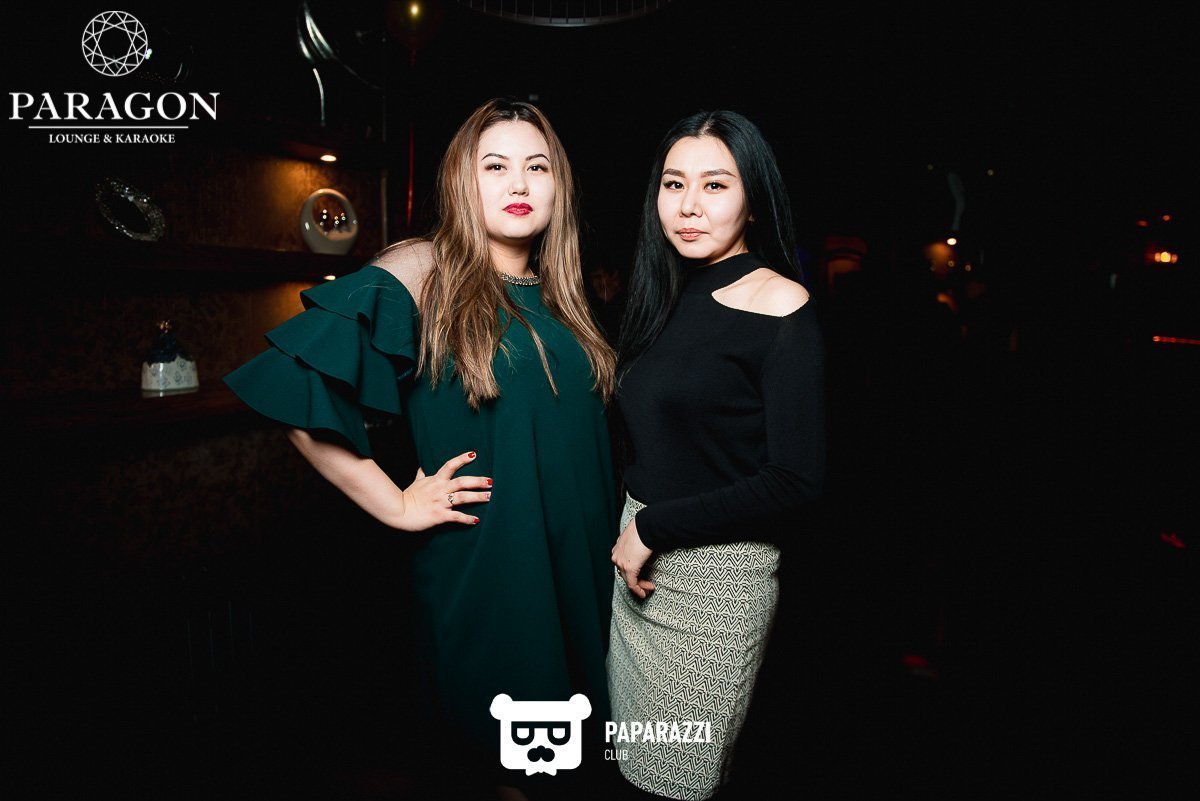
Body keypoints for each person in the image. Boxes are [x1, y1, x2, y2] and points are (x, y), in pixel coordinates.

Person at [225, 98, 618, 796]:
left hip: (586, 577)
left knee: (584, 771)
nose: (518, 183)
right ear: (462, 182)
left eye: (537, 167)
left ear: (559, 185)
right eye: (494, 166)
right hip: (495, 577)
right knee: (523, 773)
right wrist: (396, 503)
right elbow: (297, 381)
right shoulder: (425, 270)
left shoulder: (565, 294)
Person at [608, 110, 825, 800]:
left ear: (753, 201)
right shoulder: (664, 295)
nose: (689, 205)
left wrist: (651, 527)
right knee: (633, 769)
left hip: (717, 579)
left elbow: (795, 480)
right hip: (636, 570)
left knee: (675, 780)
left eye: (715, 184)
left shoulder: (781, 304)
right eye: (674, 183)